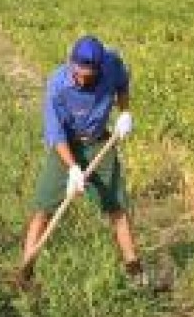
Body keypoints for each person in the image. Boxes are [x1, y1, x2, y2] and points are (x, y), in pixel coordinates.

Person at [17, 35, 144, 286]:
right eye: (79, 75)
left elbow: (122, 84)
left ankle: (135, 272)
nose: (84, 80)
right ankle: (25, 272)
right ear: (70, 63)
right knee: (43, 209)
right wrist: (73, 168)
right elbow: (55, 134)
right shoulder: (57, 84)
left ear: (100, 67)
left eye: (90, 76)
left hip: (99, 142)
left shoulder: (112, 64)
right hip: (67, 145)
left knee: (117, 207)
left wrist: (125, 112)